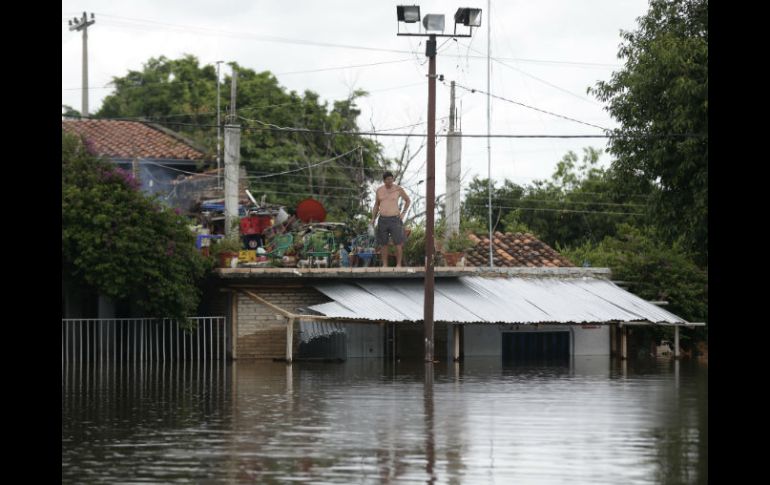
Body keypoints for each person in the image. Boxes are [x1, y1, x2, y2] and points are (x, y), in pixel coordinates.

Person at [371, 171, 411, 267]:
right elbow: (376, 205)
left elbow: (408, 200)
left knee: (398, 243)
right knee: (383, 243)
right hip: (382, 219)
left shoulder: (398, 189)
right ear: (384, 181)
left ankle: (398, 264)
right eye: (388, 179)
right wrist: (373, 218)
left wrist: (403, 213)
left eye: (391, 179)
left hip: (395, 219)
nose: (390, 181)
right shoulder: (379, 190)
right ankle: (385, 264)